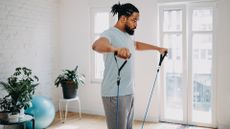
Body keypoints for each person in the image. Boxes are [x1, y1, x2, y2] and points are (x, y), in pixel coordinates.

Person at [92, 2, 168, 129]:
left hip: (128, 92)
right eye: (134, 20)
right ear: (123, 18)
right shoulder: (109, 33)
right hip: (114, 93)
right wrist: (115, 50)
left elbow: (136, 45)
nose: (136, 25)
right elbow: (96, 45)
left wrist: (158, 49)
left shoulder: (126, 35)